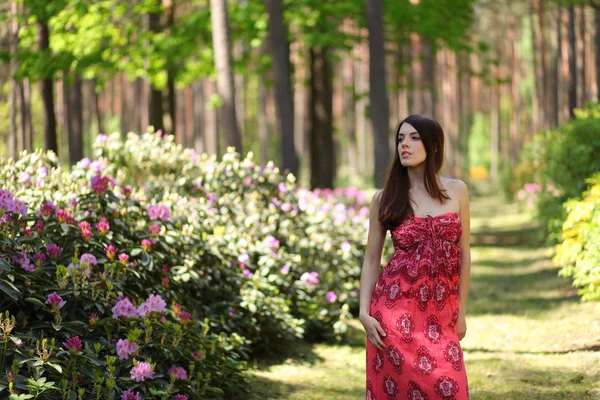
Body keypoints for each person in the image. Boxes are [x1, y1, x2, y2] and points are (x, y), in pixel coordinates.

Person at [360, 114, 471, 399]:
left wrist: (461, 310)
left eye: (414, 137)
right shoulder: (385, 198)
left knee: (450, 389)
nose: (404, 145)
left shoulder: (457, 190)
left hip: (442, 309)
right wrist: (364, 313)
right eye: (400, 139)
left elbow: (464, 252)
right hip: (394, 312)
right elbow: (372, 259)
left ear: (434, 145)